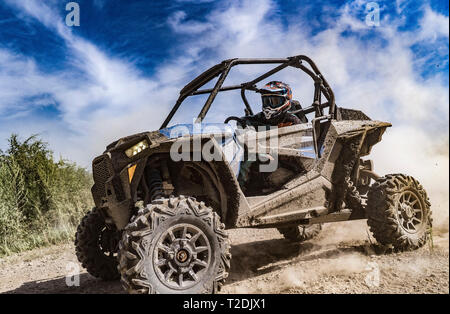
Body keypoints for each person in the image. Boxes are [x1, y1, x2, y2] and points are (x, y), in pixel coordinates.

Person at [237, 81, 305, 190]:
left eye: (274, 101)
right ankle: (240, 190)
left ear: (285, 101)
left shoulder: (292, 121)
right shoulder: (258, 119)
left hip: (287, 167)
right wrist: (247, 130)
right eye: (265, 101)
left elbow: (302, 153)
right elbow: (242, 121)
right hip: (261, 165)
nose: (268, 106)